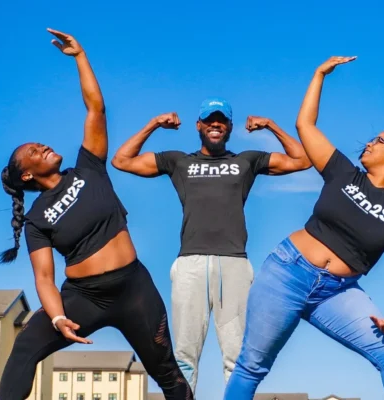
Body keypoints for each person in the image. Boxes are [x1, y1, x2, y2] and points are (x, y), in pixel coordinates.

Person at [0, 29, 192, 400]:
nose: (42, 147)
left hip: (134, 289)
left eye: (40, 144)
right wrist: (57, 317)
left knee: (167, 373)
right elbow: (44, 279)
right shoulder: (37, 218)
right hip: (83, 297)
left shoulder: (88, 168)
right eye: (34, 152)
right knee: (24, 348)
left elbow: (95, 109)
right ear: (26, 175)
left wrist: (79, 57)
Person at [224, 56, 384, 400]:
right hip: (286, 273)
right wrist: (319, 75)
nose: (369, 143)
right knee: (251, 365)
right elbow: (305, 125)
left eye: (378, 141)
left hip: (337, 292)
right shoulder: (343, 173)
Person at [111, 100, 312, 394]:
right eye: (209, 120)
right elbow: (122, 160)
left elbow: (302, 160)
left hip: (234, 265)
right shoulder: (178, 161)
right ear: (199, 125)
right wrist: (154, 123)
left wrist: (270, 125)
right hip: (190, 265)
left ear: (229, 127)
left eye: (221, 121)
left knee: (235, 357)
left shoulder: (247, 160)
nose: (215, 125)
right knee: (184, 356)